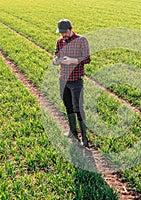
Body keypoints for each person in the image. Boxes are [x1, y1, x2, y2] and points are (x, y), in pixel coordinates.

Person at [52, 19, 91, 147]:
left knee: (78, 108)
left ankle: (84, 138)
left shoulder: (81, 40)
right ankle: (72, 131)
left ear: (71, 29)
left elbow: (87, 58)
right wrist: (56, 61)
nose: (63, 35)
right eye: (61, 32)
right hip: (63, 79)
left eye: (65, 32)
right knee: (68, 106)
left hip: (76, 80)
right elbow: (55, 56)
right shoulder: (60, 41)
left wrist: (73, 61)